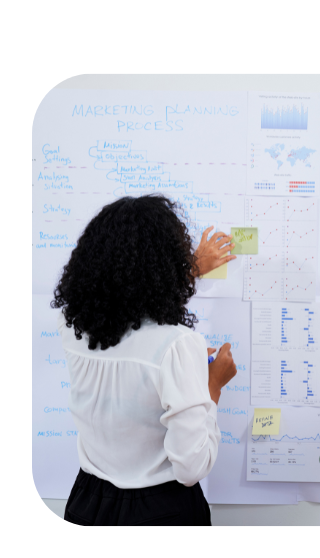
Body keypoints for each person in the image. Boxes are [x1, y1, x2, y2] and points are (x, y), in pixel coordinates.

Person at [52, 195, 239, 527]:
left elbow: (129, 305)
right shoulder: (178, 345)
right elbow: (191, 467)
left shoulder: (73, 327)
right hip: (159, 510)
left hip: (86, 502)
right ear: (167, 263)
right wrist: (212, 385)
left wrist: (190, 272)